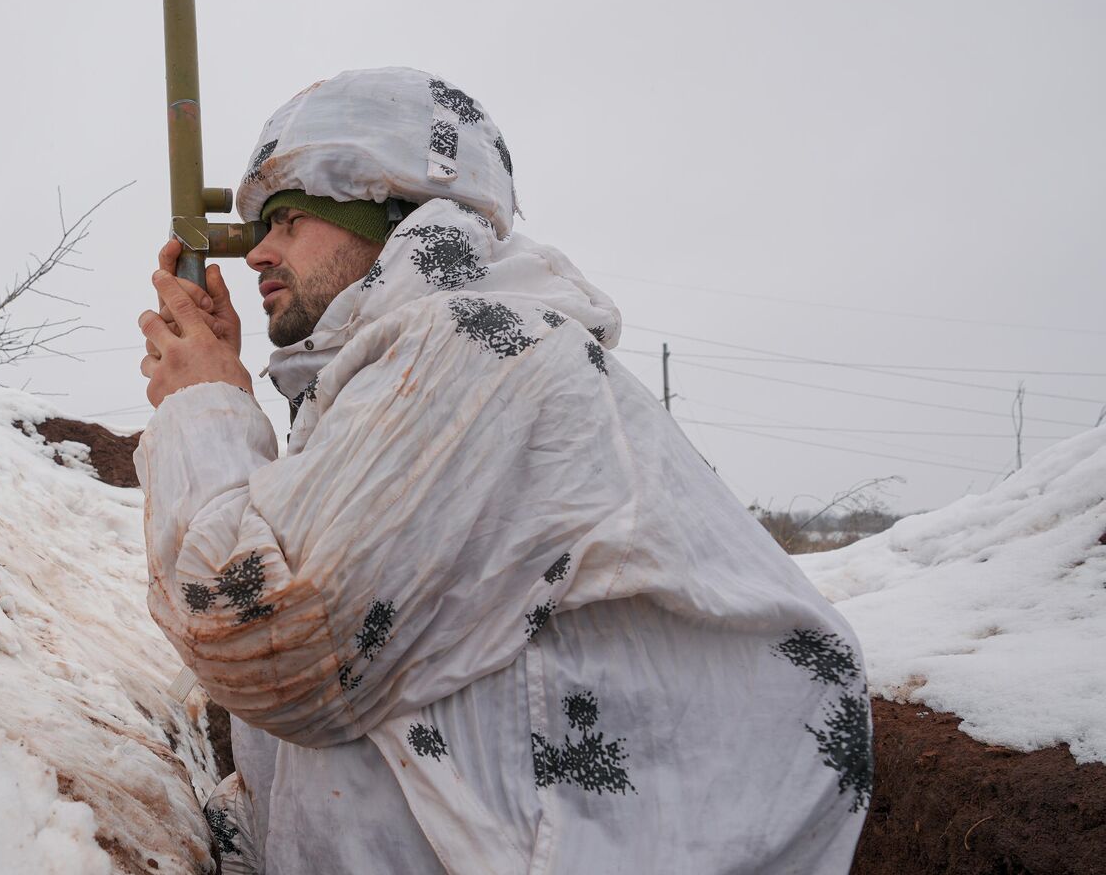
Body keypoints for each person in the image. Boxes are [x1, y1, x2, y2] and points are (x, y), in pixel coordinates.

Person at [134, 67, 870, 874]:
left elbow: (264, 638)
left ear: (393, 213)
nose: (259, 254)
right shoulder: (403, 374)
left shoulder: (477, 349)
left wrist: (202, 405)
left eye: (288, 218)